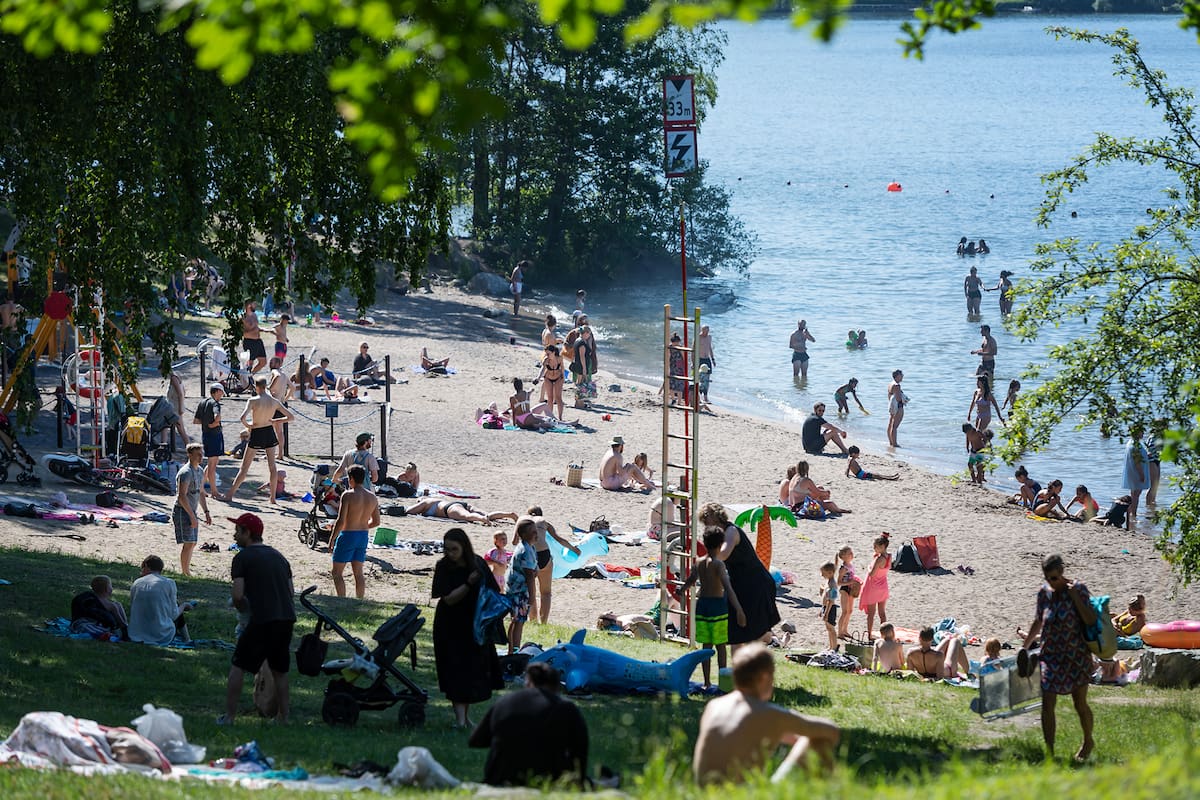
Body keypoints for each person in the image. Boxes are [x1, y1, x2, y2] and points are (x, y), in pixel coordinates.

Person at [692, 644, 839, 785]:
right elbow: (831, 730)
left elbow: (744, 732)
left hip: (706, 795)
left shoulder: (714, 706)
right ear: (764, 678)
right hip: (745, 796)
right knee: (820, 740)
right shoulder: (769, 714)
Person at [1019, 553, 1097, 761]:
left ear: (1062, 573)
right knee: (1047, 702)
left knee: (1079, 704)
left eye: (1053, 577)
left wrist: (1074, 599)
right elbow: (1038, 621)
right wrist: (1024, 648)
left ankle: (1088, 740)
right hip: (1050, 656)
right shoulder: (1043, 594)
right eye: (1047, 577)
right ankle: (1049, 751)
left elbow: (1090, 620)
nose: (1050, 582)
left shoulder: (1078, 589)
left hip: (1076, 656)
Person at [219, 513, 295, 725]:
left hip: (261, 619)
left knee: (238, 666)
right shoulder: (280, 557)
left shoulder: (242, 558)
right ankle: (283, 718)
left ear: (248, 533)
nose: (234, 535)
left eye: (238, 530)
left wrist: (243, 611)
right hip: (286, 619)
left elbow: (237, 595)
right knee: (280, 670)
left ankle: (229, 717)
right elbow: (290, 592)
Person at [468, 661, 589, 787]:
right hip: (548, 779)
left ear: (528, 682)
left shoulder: (505, 702)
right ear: (556, 687)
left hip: (501, 777)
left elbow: (476, 741)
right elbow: (580, 752)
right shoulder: (567, 708)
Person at [432, 528, 503, 728]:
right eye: (446, 549)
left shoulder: (478, 563)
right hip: (450, 626)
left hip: (475, 625)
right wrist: (468, 584)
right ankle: (460, 720)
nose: (450, 554)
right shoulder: (444, 567)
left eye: (454, 549)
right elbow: (449, 599)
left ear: (464, 546)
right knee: (455, 671)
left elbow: (493, 591)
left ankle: (464, 718)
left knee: (471, 671)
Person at [698, 504, 780, 649]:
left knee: (750, 632)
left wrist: (705, 558)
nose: (706, 526)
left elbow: (723, 554)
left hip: (756, 584)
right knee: (736, 633)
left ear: (717, 519)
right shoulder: (720, 535)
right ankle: (739, 666)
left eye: (707, 521)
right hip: (740, 585)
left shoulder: (731, 531)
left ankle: (766, 642)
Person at [681, 527, 748, 690]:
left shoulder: (698, 562)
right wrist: (739, 609)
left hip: (702, 606)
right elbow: (728, 588)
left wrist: (681, 590)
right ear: (721, 544)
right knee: (721, 646)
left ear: (704, 543)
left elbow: (691, 580)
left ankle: (706, 682)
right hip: (717, 607)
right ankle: (723, 682)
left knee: (706, 645)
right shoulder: (718, 564)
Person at [217, 376, 294, 505]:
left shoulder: (253, 400)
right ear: (266, 386)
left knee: (245, 467)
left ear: (257, 387)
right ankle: (272, 498)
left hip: (257, 431)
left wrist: (249, 426)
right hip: (269, 431)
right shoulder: (273, 401)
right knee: (272, 467)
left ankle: (230, 494)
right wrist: (275, 421)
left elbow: (242, 417)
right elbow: (290, 417)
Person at [522, 506, 579, 624]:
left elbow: (516, 542)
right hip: (544, 555)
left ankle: (532, 621)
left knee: (530, 590)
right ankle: (543, 623)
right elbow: (559, 539)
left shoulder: (523, 523)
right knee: (546, 593)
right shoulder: (545, 523)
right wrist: (574, 549)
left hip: (530, 555)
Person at [330, 465, 380, 599]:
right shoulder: (372, 497)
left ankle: (342, 600)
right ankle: (360, 600)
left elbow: (340, 521)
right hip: (363, 536)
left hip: (348, 535)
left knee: (337, 572)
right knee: (358, 573)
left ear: (351, 478)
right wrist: (361, 526)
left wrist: (332, 538)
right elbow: (376, 522)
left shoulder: (348, 495)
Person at [129, 555, 193, 646]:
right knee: (177, 605)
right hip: (161, 635)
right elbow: (173, 615)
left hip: (135, 634)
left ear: (146, 566)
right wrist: (184, 606)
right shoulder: (169, 583)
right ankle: (187, 638)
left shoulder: (136, 583)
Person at [174, 443, 211, 576]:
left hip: (192, 511)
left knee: (193, 542)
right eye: (198, 455)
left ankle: (186, 570)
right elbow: (181, 496)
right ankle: (185, 572)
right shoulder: (185, 473)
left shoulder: (200, 471)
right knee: (188, 542)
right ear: (190, 455)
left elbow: (201, 492)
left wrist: (206, 512)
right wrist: (191, 516)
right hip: (182, 510)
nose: (201, 457)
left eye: (202, 454)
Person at [504, 519, 538, 654]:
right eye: (533, 532)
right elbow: (530, 576)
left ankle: (512, 650)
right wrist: (533, 597)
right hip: (519, 591)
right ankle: (514, 651)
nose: (536, 534)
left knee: (516, 620)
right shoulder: (525, 550)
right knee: (518, 621)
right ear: (523, 534)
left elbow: (533, 570)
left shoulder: (529, 547)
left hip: (515, 588)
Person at [193, 383, 225, 494]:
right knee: (212, 465)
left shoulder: (202, 402)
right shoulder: (215, 404)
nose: (222, 395)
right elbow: (217, 416)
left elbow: (196, 421)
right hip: (214, 436)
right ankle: (214, 492)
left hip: (205, 435)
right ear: (217, 391)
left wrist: (206, 424)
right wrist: (214, 423)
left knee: (211, 463)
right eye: (221, 392)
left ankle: (201, 488)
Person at [906, 626, 971, 680]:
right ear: (932, 639)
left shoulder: (910, 652)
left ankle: (950, 637)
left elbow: (910, 673)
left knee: (948, 639)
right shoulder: (938, 655)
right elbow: (940, 677)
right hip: (948, 671)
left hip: (923, 672)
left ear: (919, 638)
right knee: (955, 641)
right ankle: (968, 671)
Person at [858, 534, 891, 640]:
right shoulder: (888, 556)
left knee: (871, 614)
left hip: (874, 588)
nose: (874, 548)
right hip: (883, 586)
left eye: (875, 546)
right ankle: (886, 635)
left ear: (882, 547)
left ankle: (869, 634)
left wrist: (868, 568)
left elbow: (872, 574)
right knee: (882, 613)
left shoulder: (879, 559)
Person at [404, 496, 518, 525]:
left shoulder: (425, 502)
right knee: (487, 513)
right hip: (459, 504)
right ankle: (509, 515)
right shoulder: (435, 499)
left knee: (468, 516)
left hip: (448, 509)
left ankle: (482, 519)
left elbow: (409, 511)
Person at [1123, 429, 1150, 530]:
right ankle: (1132, 514)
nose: (1143, 433)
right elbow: (1137, 461)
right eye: (1141, 432)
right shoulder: (1135, 445)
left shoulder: (1131, 442)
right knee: (1136, 495)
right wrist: (1142, 474)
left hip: (1132, 472)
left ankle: (1132, 513)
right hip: (1136, 472)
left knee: (1134, 494)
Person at [266, 356, 292, 461]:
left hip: (273, 404)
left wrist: (270, 387)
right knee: (280, 431)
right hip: (281, 403)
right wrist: (286, 398)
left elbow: (276, 376)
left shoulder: (275, 372)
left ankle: (272, 453)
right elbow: (292, 387)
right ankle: (280, 453)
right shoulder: (285, 375)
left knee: (270, 429)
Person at [533, 344, 565, 419]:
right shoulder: (546, 360)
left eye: (548, 353)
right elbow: (542, 369)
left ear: (553, 352)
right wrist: (538, 378)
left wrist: (563, 378)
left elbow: (562, 368)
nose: (547, 355)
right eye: (546, 353)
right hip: (548, 378)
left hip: (558, 377)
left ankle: (560, 417)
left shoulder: (559, 358)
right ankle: (550, 417)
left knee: (558, 398)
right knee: (550, 398)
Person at [834, 546, 857, 640]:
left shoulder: (850, 565)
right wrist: (850, 582)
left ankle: (845, 630)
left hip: (850, 589)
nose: (852, 554)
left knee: (850, 611)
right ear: (843, 557)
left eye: (851, 552)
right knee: (844, 611)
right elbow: (838, 582)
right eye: (849, 553)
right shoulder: (843, 568)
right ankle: (839, 632)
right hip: (844, 589)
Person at [818, 562, 839, 651]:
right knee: (828, 628)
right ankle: (831, 646)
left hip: (830, 609)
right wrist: (822, 610)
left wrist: (826, 613)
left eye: (823, 573)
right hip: (826, 608)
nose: (822, 575)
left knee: (831, 628)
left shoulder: (832, 585)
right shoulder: (828, 582)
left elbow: (831, 601)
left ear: (830, 573)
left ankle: (834, 646)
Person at [241, 301, 266, 375]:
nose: (255, 305)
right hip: (249, 341)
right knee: (250, 362)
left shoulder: (254, 315)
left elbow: (256, 327)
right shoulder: (243, 317)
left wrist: (265, 330)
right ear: (249, 305)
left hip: (258, 341)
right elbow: (243, 332)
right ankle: (247, 378)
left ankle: (250, 376)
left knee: (263, 362)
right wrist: (253, 330)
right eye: (254, 304)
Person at [886, 369, 907, 447]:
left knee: (890, 423)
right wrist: (905, 399)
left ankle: (891, 442)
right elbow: (898, 398)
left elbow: (890, 395)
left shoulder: (890, 384)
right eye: (901, 375)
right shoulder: (897, 385)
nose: (902, 376)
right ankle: (894, 443)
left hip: (892, 405)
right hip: (898, 406)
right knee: (895, 426)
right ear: (897, 376)